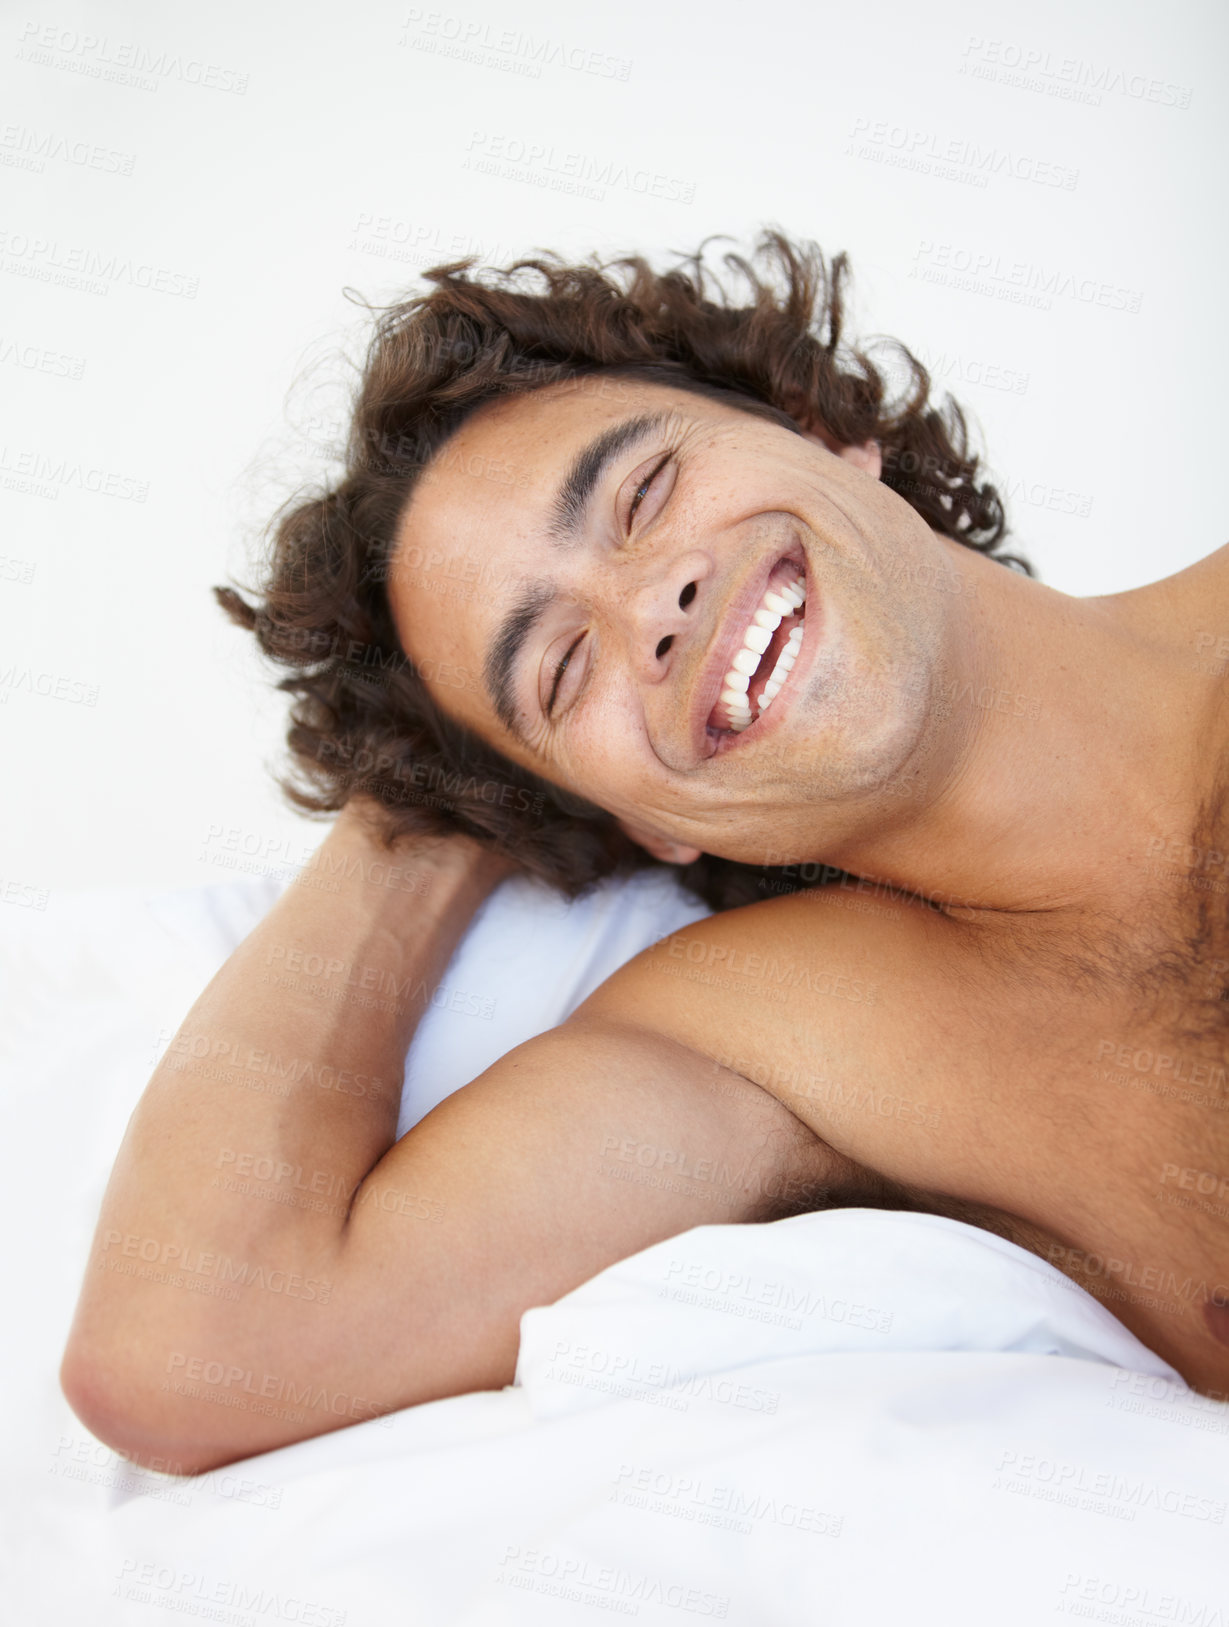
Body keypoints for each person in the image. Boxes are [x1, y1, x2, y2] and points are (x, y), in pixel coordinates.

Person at [60, 231, 1229, 1476]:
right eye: (559, 670)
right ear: (638, 820)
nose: (650, 608)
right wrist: (420, 797)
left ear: (819, 426)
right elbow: (188, 1344)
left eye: (643, 492)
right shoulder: (788, 1038)